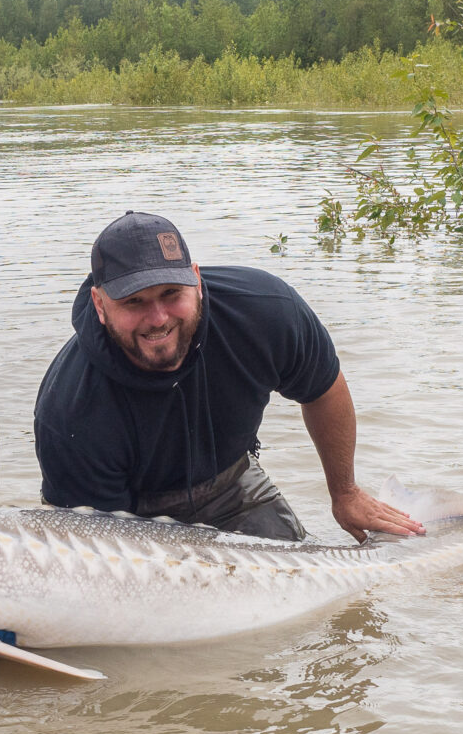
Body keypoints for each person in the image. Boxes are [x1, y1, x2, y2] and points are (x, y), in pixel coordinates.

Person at [33, 211, 421, 543]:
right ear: (99, 305)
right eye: (133, 302)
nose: (158, 319)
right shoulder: (69, 409)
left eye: (171, 293)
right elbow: (101, 550)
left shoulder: (265, 311)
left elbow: (323, 389)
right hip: (129, 513)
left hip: (229, 483)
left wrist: (345, 493)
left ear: (197, 281)